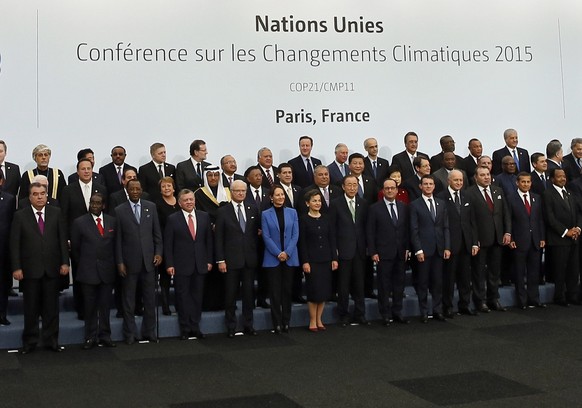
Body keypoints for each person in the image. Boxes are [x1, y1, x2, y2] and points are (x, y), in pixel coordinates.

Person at [10, 182, 70, 354]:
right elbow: (14, 244)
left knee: (52, 308)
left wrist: (65, 263)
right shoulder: (20, 216)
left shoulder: (56, 213)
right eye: (35, 194)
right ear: (29, 196)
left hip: (52, 269)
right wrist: (16, 267)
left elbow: (62, 240)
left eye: (42, 193)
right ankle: (30, 342)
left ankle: (52, 341)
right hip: (29, 270)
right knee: (31, 308)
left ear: (46, 195)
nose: (39, 197)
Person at [115, 179, 163, 344]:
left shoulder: (151, 206)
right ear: (126, 190)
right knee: (129, 301)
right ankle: (130, 334)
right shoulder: (119, 210)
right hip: (129, 263)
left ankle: (150, 332)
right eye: (132, 189)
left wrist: (158, 253)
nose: (135, 191)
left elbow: (157, 234)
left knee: (150, 299)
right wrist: (120, 262)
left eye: (138, 188)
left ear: (142, 190)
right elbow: (118, 240)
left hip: (149, 262)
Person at [61, 158, 108, 318]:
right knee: (80, 273)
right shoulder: (68, 190)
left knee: (98, 274)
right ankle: (81, 309)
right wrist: (67, 238)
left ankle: (98, 309)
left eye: (89, 168)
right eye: (83, 169)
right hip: (78, 240)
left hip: (99, 240)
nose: (86, 171)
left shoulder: (101, 188)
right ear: (77, 171)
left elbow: (105, 214)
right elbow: (64, 216)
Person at [164, 189, 213, 340]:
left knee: (197, 297)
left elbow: (209, 241)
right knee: (183, 297)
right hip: (181, 265)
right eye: (186, 200)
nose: (189, 202)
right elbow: (168, 244)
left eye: (191, 199)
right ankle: (185, 328)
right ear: (179, 203)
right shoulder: (173, 219)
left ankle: (195, 326)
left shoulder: (204, 217)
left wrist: (209, 260)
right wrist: (169, 264)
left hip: (200, 264)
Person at [70, 193, 117, 349]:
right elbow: (75, 249)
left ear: (103, 205)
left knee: (105, 306)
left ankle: (105, 335)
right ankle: (90, 336)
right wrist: (85, 263)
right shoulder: (79, 222)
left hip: (107, 272)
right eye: (92, 203)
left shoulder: (112, 221)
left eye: (98, 203)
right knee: (89, 307)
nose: (95, 206)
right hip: (88, 271)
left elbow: (115, 246)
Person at [215, 180, 260, 338]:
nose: (240, 193)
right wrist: (220, 260)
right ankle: (231, 326)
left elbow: (255, 234)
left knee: (249, 295)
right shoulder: (223, 211)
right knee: (230, 295)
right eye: (237, 191)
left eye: (243, 191)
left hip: (249, 260)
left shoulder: (253, 208)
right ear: (231, 192)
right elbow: (219, 238)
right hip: (230, 260)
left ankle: (248, 324)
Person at [466, 167, 511, 312]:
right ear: (475, 177)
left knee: (494, 271)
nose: (486, 177)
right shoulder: (469, 193)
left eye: (488, 175)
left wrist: (508, 232)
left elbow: (505, 214)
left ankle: (494, 299)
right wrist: (474, 239)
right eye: (482, 175)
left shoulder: (498, 190)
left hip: (498, 238)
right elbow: (470, 220)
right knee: (479, 272)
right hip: (480, 239)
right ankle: (480, 301)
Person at [367, 178, 410, 326]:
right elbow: (370, 232)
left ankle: (397, 312)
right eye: (387, 188)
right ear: (383, 191)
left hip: (400, 253)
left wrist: (407, 249)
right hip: (383, 253)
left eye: (392, 188)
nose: (390, 190)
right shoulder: (374, 208)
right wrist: (373, 252)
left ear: (397, 190)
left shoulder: (404, 207)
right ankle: (384, 314)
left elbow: (406, 230)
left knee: (399, 285)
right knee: (384, 286)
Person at [329, 175, 369, 326]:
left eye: (355, 185)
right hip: (343, 250)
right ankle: (343, 315)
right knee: (343, 286)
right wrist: (335, 251)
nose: (352, 188)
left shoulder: (363, 203)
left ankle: (360, 314)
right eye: (349, 185)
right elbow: (332, 230)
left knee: (359, 285)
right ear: (343, 187)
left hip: (359, 251)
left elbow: (366, 228)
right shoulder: (335, 204)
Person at [410, 175, 451, 322]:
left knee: (438, 282)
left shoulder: (441, 203)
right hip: (423, 251)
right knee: (423, 282)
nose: (428, 186)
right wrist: (418, 250)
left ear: (434, 186)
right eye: (425, 184)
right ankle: (424, 312)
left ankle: (437, 310)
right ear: (420, 186)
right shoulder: (415, 205)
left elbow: (445, 227)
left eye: (430, 184)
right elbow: (413, 229)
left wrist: (447, 247)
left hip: (439, 249)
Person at [438, 170, 479, 317]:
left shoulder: (467, 196)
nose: (459, 183)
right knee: (449, 278)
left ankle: (464, 304)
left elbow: (472, 221)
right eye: (456, 180)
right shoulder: (441, 197)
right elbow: (441, 224)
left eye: (461, 180)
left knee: (465, 277)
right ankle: (447, 306)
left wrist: (475, 243)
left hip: (466, 244)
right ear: (449, 181)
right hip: (451, 245)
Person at [261, 185, 299, 334]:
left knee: (287, 291)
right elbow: (266, 236)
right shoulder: (265, 214)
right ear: (271, 197)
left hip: (290, 257)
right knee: (275, 292)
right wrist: (278, 253)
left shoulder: (292, 212)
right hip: (273, 258)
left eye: (282, 194)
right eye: (277, 195)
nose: (280, 197)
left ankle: (286, 322)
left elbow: (295, 235)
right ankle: (276, 322)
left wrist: (287, 252)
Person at [299, 189, 338, 331]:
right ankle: (312, 321)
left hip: (326, 259)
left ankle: (319, 319)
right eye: (314, 201)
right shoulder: (303, 219)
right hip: (312, 260)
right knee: (314, 291)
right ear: (307, 203)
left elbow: (332, 239)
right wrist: (305, 261)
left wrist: (334, 258)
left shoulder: (326, 218)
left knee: (323, 291)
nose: (317, 203)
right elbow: (302, 242)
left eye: (319, 201)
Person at [507, 172, 546, 309]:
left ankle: (534, 299)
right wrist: (511, 237)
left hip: (535, 240)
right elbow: (508, 220)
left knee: (534, 272)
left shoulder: (536, 198)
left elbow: (540, 219)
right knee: (519, 272)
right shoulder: (510, 198)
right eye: (523, 182)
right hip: (519, 240)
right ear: (517, 183)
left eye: (528, 182)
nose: (526, 184)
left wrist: (541, 237)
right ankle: (522, 301)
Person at [542, 168, 580, 306]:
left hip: (574, 238)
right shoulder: (547, 194)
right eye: (559, 177)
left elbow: (577, 213)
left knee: (573, 269)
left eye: (564, 176)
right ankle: (560, 297)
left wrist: (577, 229)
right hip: (559, 239)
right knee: (560, 270)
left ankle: (573, 296)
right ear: (552, 179)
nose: (563, 179)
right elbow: (549, 218)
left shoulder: (569, 193)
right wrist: (565, 231)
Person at [153, 176, 180, 316]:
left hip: (181, 245)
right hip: (165, 243)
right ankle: (165, 306)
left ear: (173, 188)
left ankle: (180, 305)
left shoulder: (180, 202)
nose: (166, 188)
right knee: (165, 278)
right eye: (163, 186)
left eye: (169, 186)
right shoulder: (156, 204)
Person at [0, 179, 16, 325]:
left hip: (3, 249)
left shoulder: (9, 199)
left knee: (3, 284)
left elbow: (13, 223)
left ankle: (1, 314)